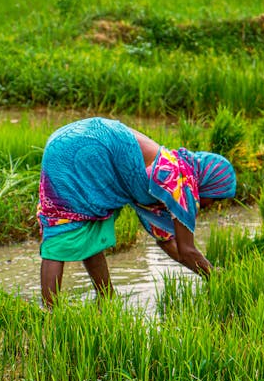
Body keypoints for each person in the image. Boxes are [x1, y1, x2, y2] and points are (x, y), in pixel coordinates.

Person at [37, 117, 236, 307]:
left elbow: (167, 240)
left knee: (92, 230)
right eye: (216, 197)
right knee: (60, 231)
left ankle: (105, 299)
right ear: (209, 183)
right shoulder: (180, 180)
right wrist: (217, 278)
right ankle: (50, 311)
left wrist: (209, 273)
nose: (212, 204)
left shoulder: (170, 171)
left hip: (69, 140)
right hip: (83, 147)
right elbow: (187, 251)